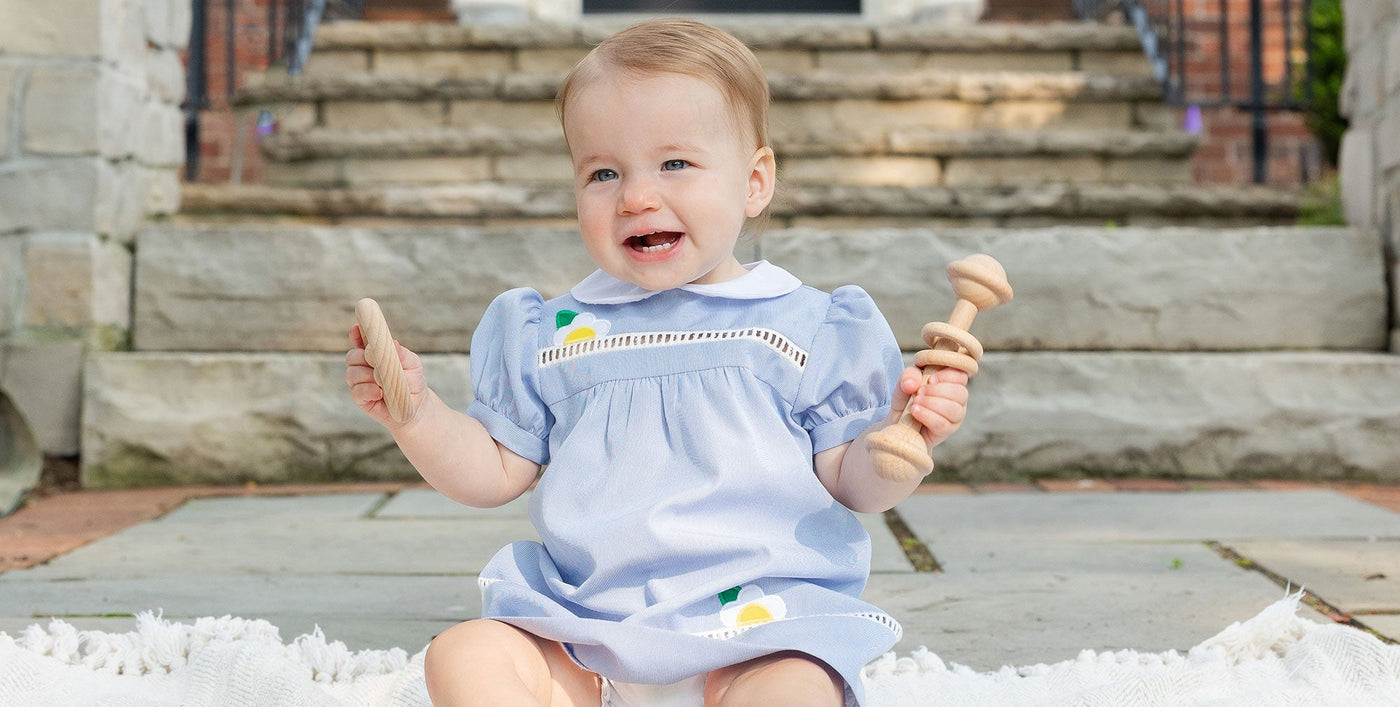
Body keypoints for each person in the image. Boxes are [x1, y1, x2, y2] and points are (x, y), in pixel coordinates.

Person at [345, 18, 970, 707]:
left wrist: (897, 443)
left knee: (794, 689)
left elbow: (854, 485)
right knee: (465, 653)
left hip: (756, 630)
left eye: (674, 164)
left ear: (754, 182)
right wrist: (416, 412)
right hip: (582, 627)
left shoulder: (808, 328)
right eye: (603, 172)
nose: (636, 195)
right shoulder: (550, 332)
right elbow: (493, 471)